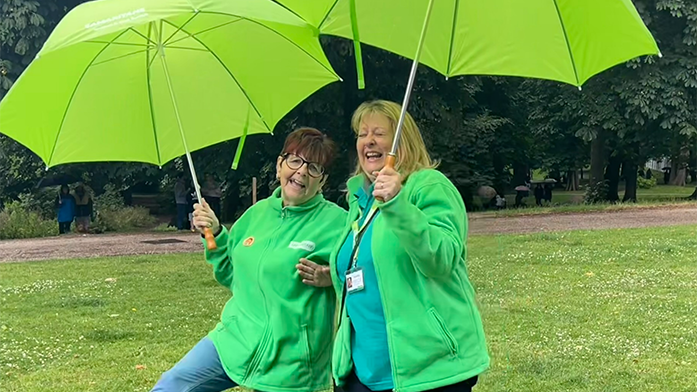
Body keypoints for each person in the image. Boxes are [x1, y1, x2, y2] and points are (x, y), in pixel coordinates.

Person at [151, 128, 347, 392]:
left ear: (322, 181)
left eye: (314, 167)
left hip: (291, 363)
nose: (302, 171)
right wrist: (217, 233)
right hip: (235, 339)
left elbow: (367, 274)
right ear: (280, 165)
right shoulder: (256, 215)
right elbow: (231, 274)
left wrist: (332, 275)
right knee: (171, 386)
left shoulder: (338, 224)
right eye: (295, 160)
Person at [328, 100, 489, 392]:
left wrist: (398, 203)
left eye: (379, 132)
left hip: (428, 370)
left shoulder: (428, 186)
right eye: (362, 134)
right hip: (363, 372)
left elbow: (441, 259)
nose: (369, 141)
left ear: (403, 141)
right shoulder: (359, 201)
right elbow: (366, 268)